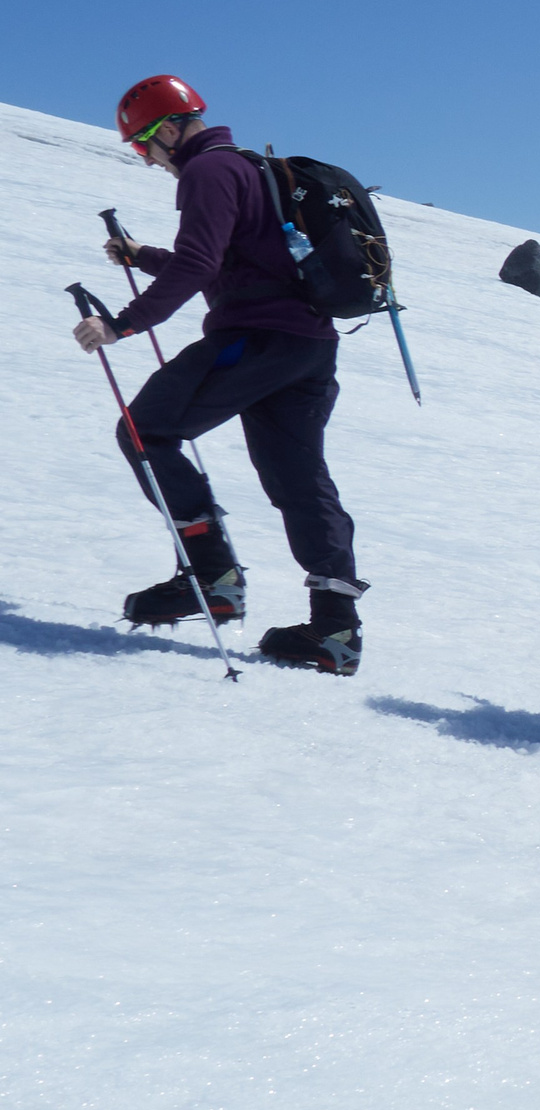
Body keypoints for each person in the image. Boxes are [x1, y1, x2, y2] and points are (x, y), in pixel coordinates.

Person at [73, 75, 367, 673]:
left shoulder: (207, 173)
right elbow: (231, 263)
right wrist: (142, 257)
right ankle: (336, 630)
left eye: (141, 147)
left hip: (255, 341)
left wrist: (121, 325)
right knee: (299, 478)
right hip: (308, 346)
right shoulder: (247, 167)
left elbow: (200, 267)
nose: (147, 160)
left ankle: (212, 578)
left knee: (143, 429)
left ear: (168, 130)